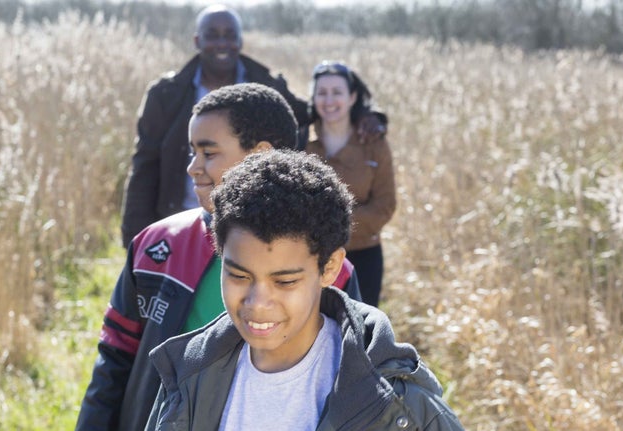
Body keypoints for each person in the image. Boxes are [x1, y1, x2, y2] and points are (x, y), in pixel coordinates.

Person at [76, 84, 361, 431]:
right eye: (192, 153)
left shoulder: (331, 271)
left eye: (208, 153)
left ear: (260, 154)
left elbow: (354, 380)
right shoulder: (155, 246)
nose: (193, 168)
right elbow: (114, 360)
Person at [145, 150, 464, 430]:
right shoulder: (187, 376)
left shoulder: (400, 404)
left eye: (284, 282)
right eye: (239, 276)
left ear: (330, 268)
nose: (257, 303)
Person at [120, 4, 386, 248]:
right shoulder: (166, 94)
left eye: (229, 35)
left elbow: (314, 113)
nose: (222, 42)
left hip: (248, 228)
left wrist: (366, 115)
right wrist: (135, 239)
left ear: (240, 41)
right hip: (181, 226)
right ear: (197, 41)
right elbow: (145, 165)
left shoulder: (266, 86)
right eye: (213, 35)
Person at [305, 61, 397, 307]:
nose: (329, 100)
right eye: (321, 93)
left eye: (337, 92)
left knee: (359, 336)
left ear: (352, 97)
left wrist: (332, 226)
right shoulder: (301, 141)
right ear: (312, 97)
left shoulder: (374, 142)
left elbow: (385, 206)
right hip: (311, 258)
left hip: (363, 256)